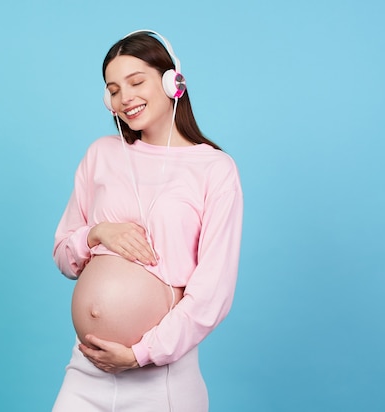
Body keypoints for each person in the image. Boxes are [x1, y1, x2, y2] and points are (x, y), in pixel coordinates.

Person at [51, 29, 243, 412]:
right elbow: (63, 255)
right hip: (87, 371)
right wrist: (97, 233)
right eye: (114, 89)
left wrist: (140, 354)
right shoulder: (101, 154)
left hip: (161, 379)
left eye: (136, 82)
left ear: (173, 80)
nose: (125, 98)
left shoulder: (214, 170)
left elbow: (212, 295)